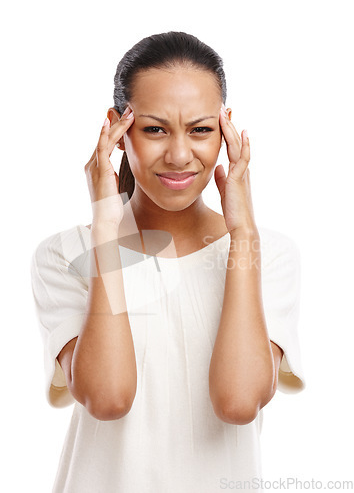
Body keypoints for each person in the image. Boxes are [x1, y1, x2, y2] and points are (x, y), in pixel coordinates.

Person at [30, 31, 306, 493]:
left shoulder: (266, 255)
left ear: (226, 128)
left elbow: (238, 403)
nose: (179, 156)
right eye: (155, 129)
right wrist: (106, 232)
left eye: (200, 129)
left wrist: (242, 236)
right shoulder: (65, 256)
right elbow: (108, 396)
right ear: (117, 128)